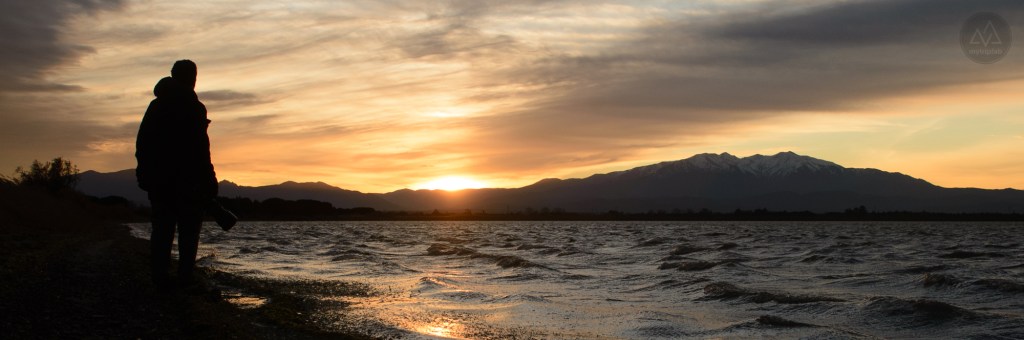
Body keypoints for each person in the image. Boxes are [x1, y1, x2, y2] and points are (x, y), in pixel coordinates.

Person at [135, 60, 218, 290]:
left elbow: (143, 143)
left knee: (162, 230)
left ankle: (160, 278)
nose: (194, 80)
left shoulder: (156, 105)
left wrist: (144, 173)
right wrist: (210, 179)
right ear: (190, 78)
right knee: (188, 231)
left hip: (160, 180)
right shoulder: (194, 107)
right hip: (188, 181)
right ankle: (184, 278)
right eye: (192, 75)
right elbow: (201, 148)